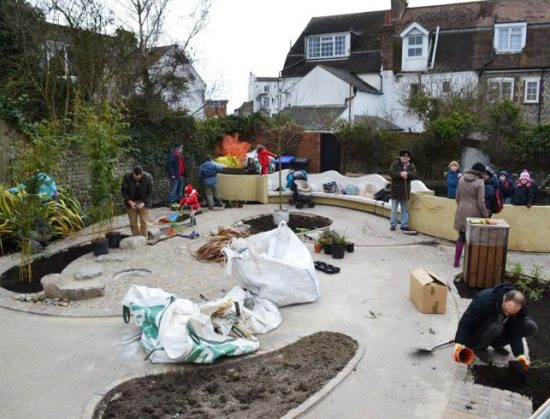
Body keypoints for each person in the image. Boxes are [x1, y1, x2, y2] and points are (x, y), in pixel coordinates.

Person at [453, 284, 537, 368]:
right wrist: (459, 343)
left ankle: (497, 344)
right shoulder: (485, 299)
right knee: (496, 327)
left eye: (511, 313)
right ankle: (479, 348)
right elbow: (466, 322)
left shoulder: (520, 310)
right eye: (506, 310)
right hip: (479, 332)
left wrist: (520, 354)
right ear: (504, 298)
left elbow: (516, 330)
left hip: (498, 329)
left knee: (529, 326)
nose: (507, 314)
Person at [453, 162, 489, 267]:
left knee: (461, 237)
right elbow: (481, 202)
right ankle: (470, 262)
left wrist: (462, 206)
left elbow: (457, 198)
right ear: (481, 172)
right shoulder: (480, 182)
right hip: (475, 213)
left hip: (461, 210)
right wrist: (485, 215)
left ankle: (456, 262)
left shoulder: (461, 179)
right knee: (473, 239)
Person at [389, 149, 417, 232]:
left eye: (407, 156)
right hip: (396, 190)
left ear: (409, 158)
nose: (405, 158)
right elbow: (391, 173)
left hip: (405, 191)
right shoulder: (395, 163)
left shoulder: (411, 165)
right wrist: (400, 174)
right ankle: (393, 224)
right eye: (404, 156)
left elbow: (414, 174)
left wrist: (407, 174)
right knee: (394, 209)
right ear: (400, 157)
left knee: (405, 209)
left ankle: (404, 225)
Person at [121, 166, 153, 237]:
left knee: (143, 221)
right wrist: (129, 201)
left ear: (141, 174)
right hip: (131, 202)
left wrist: (144, 202)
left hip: (144, 202)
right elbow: (123, 190)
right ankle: (136, 238)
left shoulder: (148, 178)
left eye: (138, 178)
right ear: (133, 173)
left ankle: (144, 238)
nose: (136, 179)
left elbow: (150, 192)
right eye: (135, 177)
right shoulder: (127, 177)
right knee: (133, 222)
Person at [167, 144, 187, 209]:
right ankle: (171, 202)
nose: (182, 149)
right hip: (175, 175)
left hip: (180, 175)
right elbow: (170, 165)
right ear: (177, 148)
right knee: (173, 189)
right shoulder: (173, 155)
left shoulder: (180, 155)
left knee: (180, 189)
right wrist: (172, 174)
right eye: (181, 148)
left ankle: (179, 201)